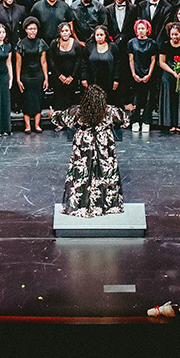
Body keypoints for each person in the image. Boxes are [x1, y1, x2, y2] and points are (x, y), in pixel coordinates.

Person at [51, 85, 131, 217]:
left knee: (82, 174)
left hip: (84, 143)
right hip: (103, 143)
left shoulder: (78, 111)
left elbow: (59, 118)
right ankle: (107, 204)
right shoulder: (109, 111)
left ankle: (81, 204)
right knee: (105, 173)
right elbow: (125, 121)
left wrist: (52, 114)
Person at [158, 22, 180, 133]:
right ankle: (170, 123)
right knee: (170, 98)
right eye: (172, 34)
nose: (174, 37)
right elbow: (161, 62)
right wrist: (172, 72)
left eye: (176, 34)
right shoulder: (165, 45)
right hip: (168, 74)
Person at [15, 17, 49, 133]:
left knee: (38, 99)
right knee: (26, 100)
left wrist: (46, 77)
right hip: (26, 75)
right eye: (30, 29)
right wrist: (18, 79)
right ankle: (28, 125)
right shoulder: (21, 43)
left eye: (34, 29)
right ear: (26, 30)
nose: (33, 31)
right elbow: (18, 63)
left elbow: (43, 61)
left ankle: (37, 125)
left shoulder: (41, 42)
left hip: (38, 74)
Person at [126, 20, 158, 132]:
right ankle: (135, 121)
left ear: (147, 30)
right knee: (136, 98)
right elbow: (131, 59)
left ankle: (146, 121)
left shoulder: (152, 43)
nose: (141, 31)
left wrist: (149, 74)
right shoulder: (131, 42)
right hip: (136, 74)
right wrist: (134, 74)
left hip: (148, 74)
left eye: (143, 28)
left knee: (149, 99)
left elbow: (153, 60)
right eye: (139, 28)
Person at [48, 22, 84, 115]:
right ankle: (59, 121)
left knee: (71, 101)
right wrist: (59, 75)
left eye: (66, 31)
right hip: (58, 77)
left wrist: (72, 76)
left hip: (72, 77)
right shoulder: (54, 43)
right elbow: (51, 61)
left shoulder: (76, 44)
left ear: (70, 32)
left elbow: (78, 61)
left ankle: (70, 121)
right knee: (59, 101)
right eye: (62, 31)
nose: (64, 33)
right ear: (59, 32)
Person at [81, 25, 120, 102]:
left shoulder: (113, 47)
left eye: (101, 35)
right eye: (97, 35)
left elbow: (117, 64)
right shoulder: (89, 47)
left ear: (106, 35)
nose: (99, 37)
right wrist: (84, 78)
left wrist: (116, 79)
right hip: (92, 81)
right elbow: (84, 64)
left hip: (109, 81)